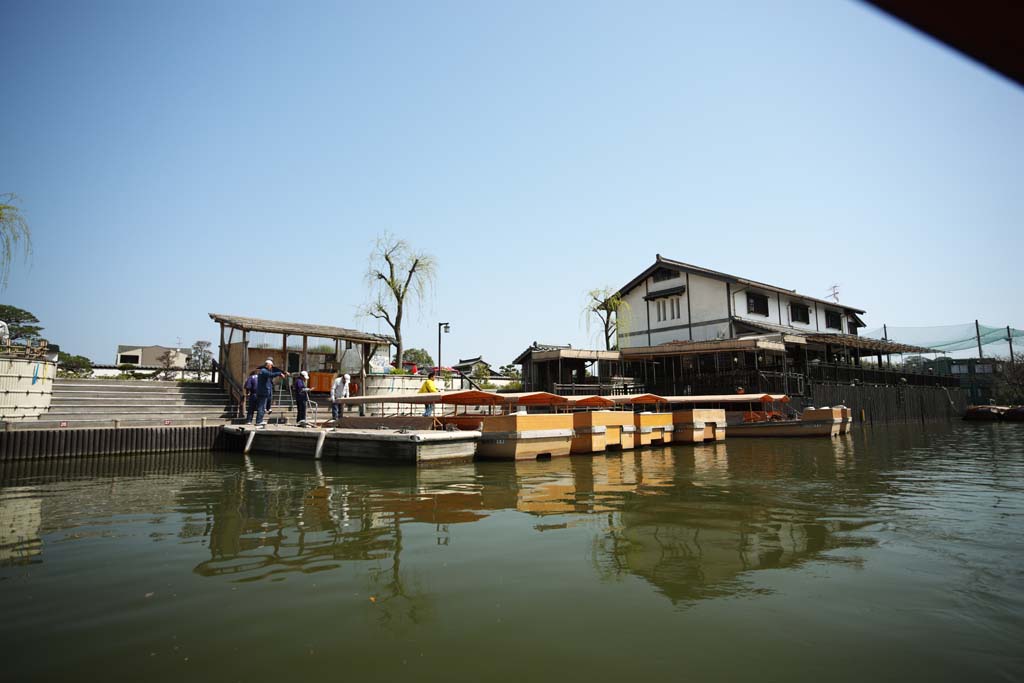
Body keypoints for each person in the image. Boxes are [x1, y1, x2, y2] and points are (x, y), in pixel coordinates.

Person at [255, 359, 288, 427]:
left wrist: (282, 373)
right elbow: (270, 374)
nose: (271, 367)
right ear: (268, 365)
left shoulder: (266, 371)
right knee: (261, 407)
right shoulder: (263, 371)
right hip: (263, 392)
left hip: (266, 392)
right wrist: (279, 373)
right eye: (271, 366)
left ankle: (260, 420)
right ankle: (259, 421)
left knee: (263, 406)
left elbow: (273, 373)